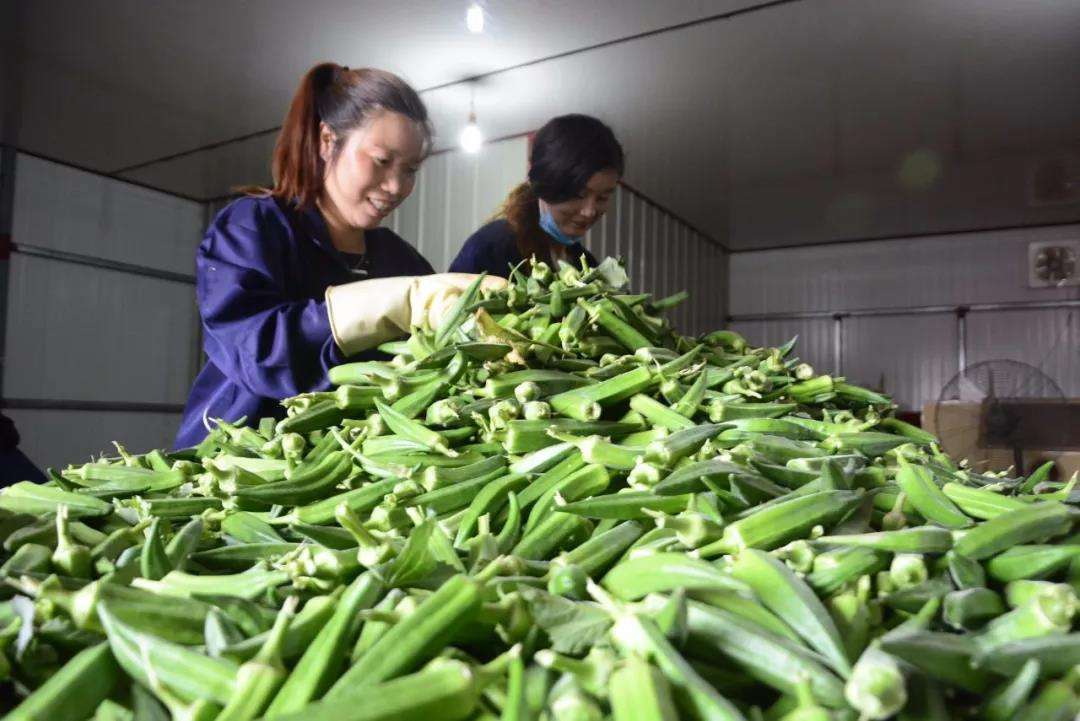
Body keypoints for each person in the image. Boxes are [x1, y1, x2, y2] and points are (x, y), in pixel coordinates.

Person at [176, 63, 500, 448]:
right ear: (328, 141)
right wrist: (394, 304)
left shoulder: (400, 261)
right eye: (381, 160)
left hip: (354, 471)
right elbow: (258, 350)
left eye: (410, 170)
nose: (396, 185)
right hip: (237, 458)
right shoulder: (255, 227)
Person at [449, 114, 623, 277]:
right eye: (578, 194)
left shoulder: (586, 265)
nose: (589, 211)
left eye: (602, 198)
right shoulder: (493, 247)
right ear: (543, 184)